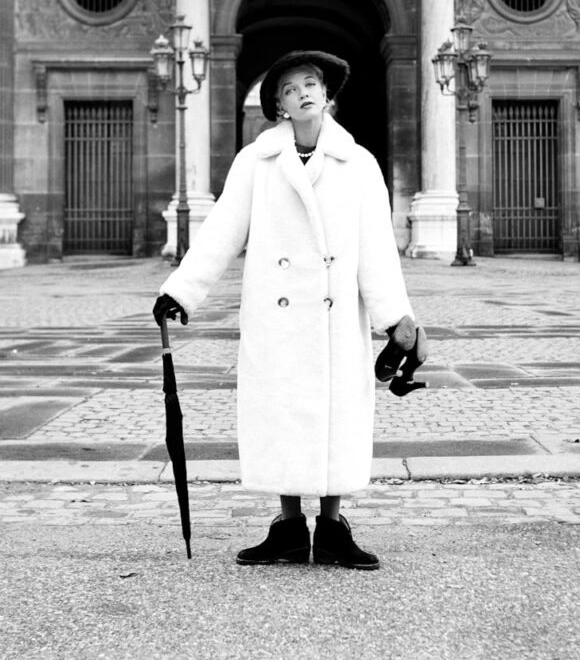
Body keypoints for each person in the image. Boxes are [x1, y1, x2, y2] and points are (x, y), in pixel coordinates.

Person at [153, 50, 427, 570]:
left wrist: (396, 319)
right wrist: (181, 290)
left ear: (327, 96)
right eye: (289, 88)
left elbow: (376, 247)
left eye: (311, 84)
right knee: (280, 412)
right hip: (274, 317)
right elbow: (222, 230)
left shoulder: (359, 163)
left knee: (334, 414)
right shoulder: (254, 162)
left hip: (334, 316)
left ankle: (331, 527)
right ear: (278, 105)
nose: (302, 92)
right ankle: (286, 527)